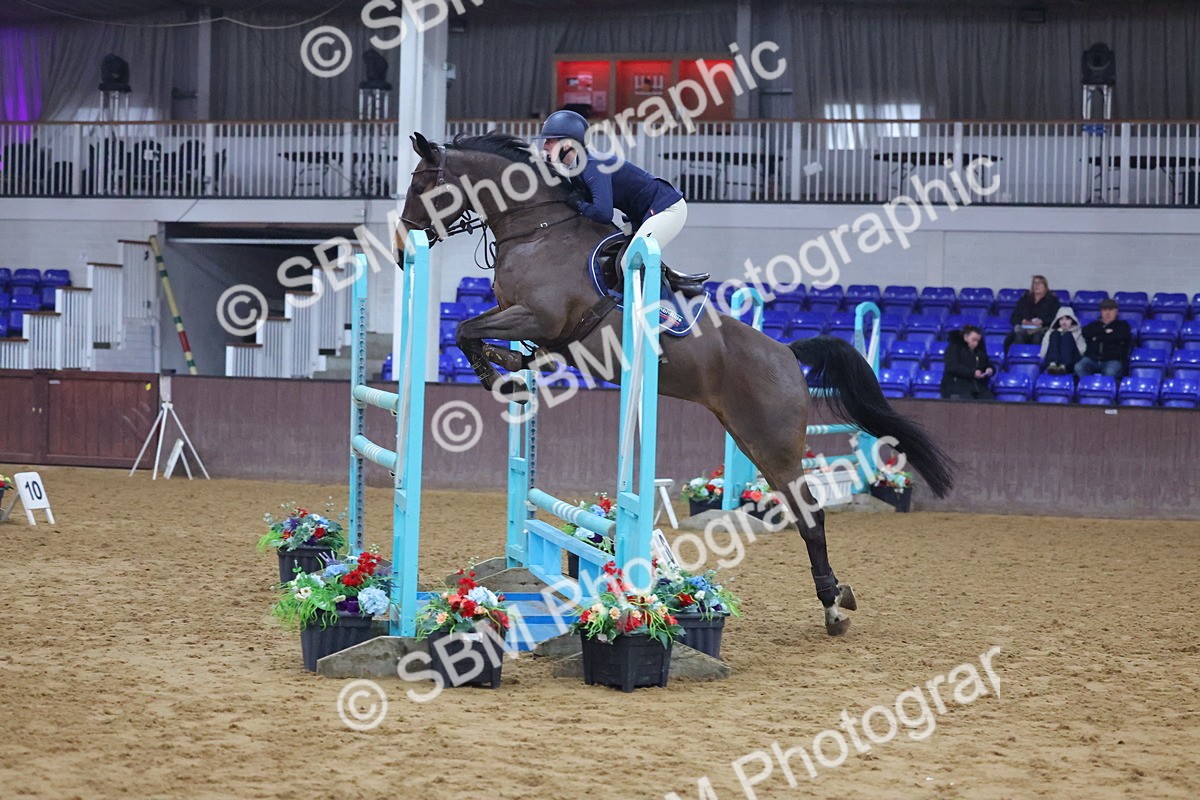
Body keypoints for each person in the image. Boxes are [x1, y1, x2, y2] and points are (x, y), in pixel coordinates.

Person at [535, 109, 687, 265]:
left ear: (567, 144)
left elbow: (603, 213)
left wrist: (579, 204)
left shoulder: (593, 166)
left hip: (667, 209)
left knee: (629, 262)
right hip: (642, 215)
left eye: (549, 141)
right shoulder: (576, 169)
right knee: (609, 250)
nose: (544, 147)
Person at [1076, 299, 1132, 378]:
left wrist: (1097, 336)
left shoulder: (1122, 325)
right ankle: (1088, 387)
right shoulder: (1094, 325)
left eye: (1111, 310)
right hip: (1092, 359)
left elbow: (1122, 336)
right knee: (1079, 367)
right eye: (1105, 310)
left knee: (1109, 372)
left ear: (1116, 311)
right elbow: (1085, 332)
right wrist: (1105, 331)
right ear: (1101, 312)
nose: (1107, 313)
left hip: (1112, 360)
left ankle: (1104, 389)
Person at [941, 324, 995, 400]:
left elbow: (987, 363)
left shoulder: (980, 352)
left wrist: (990, 369)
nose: (976, 343)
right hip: (956, 386)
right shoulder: (954, 348)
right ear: (966, 337)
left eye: (978, 341)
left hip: (978, 387)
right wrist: (972, 373)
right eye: (973, 340)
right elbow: (952, 367)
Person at [1007, 275, 1060, 347]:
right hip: (1025, 328)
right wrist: (1022, 321)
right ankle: (1020, 356)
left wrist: (1042, 321)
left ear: (1045, 286)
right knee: (1018, 335)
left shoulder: (1052, 301)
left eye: (1039, 283)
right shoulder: (1024, 299)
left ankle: (1036, 357)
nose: (1036, 285)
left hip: (1042, 329)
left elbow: (1056, 318)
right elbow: (1014, 317)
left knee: (1037, 336)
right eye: (1034, 283)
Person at [1039, 306, 1085, 374]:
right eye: (1061, 319)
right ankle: (1053, 364)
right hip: (1051, 363)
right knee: (1055, 334)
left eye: (1067, 319)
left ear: (1072, 320)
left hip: (1071, 362)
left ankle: (1063, 365)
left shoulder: (1078, 332)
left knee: (1067, 336)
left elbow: (1082, 351)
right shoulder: (1050, 333)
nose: (1064, 322)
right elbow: (1044, 351)